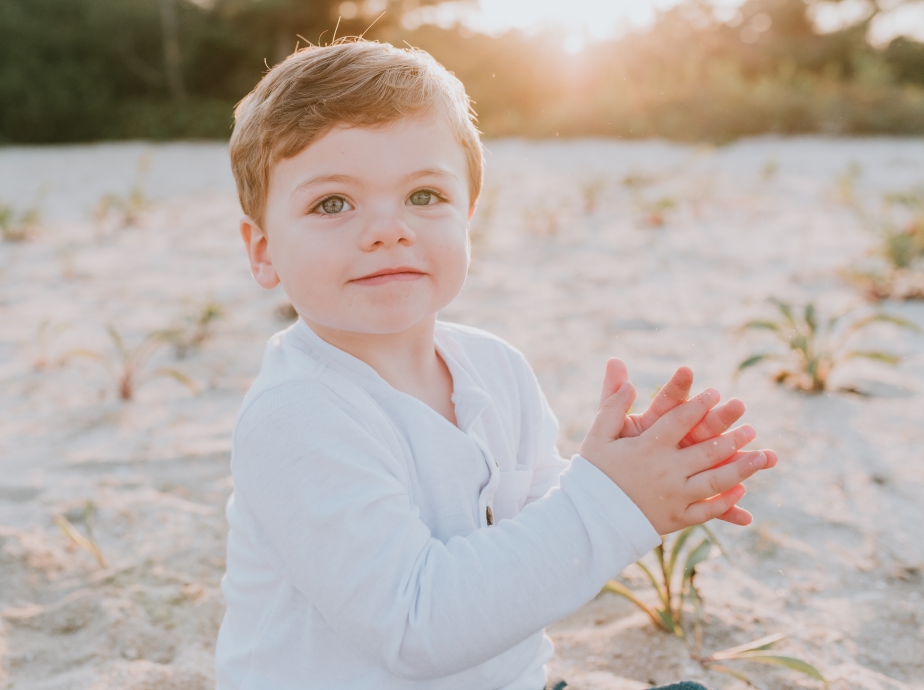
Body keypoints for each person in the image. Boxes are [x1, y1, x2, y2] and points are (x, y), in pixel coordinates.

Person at [214, 39, 774, 690]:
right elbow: (413, 623)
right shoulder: (297, 415)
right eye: (332, 204)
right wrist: (609, 504)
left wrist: (633, 478)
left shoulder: (496, 369)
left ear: (468, 214)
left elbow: (542, 545)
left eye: (424, 196)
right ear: (262, 251)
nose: (388, 229)